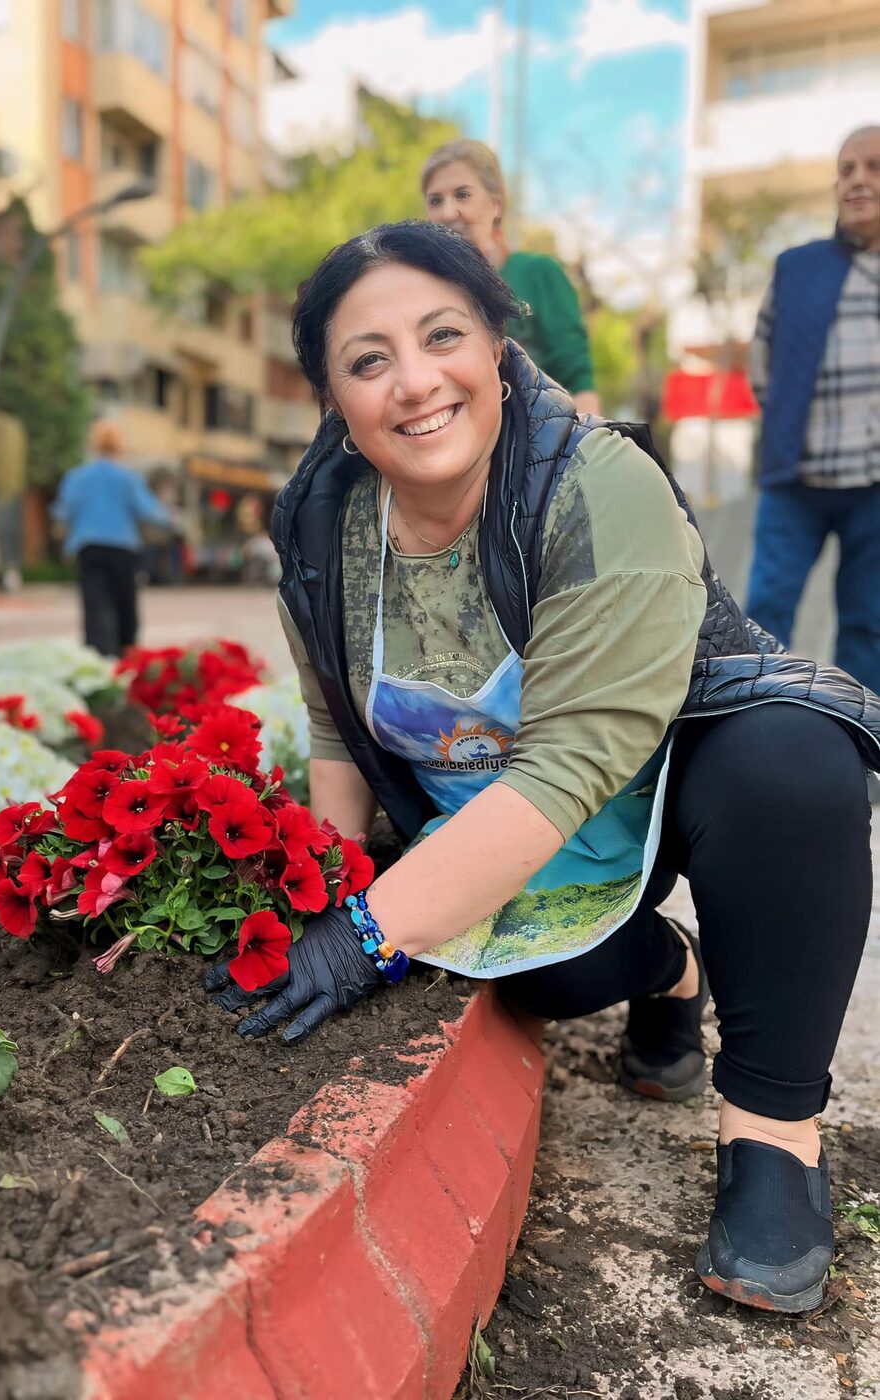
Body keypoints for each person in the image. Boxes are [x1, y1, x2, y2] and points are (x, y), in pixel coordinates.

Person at [206, 221, 879, 1315]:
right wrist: (323, 898)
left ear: (498, 348)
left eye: (443, 336)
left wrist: (368, 932)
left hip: (664, 782)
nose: (415, 381)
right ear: (333, 399)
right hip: (501, 834)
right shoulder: (324, 526)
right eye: (369, 360)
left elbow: (570, 763)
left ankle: (773, 1133)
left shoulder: (594, 481)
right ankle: (670, 972)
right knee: (522, 972)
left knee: (794, 767)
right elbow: (335, 725)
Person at [746, 125, 880, 698]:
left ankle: (859, 747)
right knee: (764, 612)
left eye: (873, 167)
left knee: (869, 622)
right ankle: (747, 727)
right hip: (794, 480)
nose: (858, 180)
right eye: (847, 169)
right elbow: (761, 357)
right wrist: (782, 421)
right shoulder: (795, 267)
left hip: (875, 488)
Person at [421, 138, 600, 415]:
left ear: (496, 205)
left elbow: (577, 378)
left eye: (462, 195)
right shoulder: (423, 290)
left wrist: (590, 449)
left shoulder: (538, 273)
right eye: (435, 200)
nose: (447, 212)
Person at [52, 422, 173, 656]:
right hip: (122, 548)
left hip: (89, 547)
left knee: (93, 605)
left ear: (94, 444)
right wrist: (170, 518)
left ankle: (96, 656)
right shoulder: (127, 478)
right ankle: (124, 654)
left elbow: (62, 511)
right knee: (124, 605)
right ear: (119, 446)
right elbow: (149, 511)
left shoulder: (78, 476)